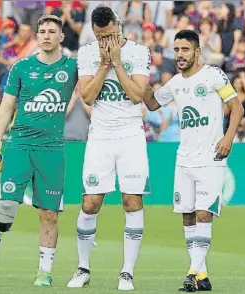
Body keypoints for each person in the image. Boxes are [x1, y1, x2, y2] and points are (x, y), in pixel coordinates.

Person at [0, 15, 78, 287]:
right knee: (7, 204)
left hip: (52, 150)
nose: (46, 35)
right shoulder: (21, 67)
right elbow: (6, 108)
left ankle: (44, 271)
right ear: (37, 36)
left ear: (61, 37)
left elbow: (89, 89)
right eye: (42, 31)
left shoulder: (72, 67)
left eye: (51, 31)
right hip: (19, 145)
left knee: (49, 213)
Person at [143, 30, 244, 292]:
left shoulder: (213, 75)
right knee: (188, 216)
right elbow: (153, 104)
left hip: (211, 158)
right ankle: (202, 275)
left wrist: (228, 138)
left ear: (197, 51)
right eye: (176, 50)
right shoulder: (175, 83)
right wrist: (139, 80)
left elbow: (237, 106)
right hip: (184, 160)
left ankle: (190, 273)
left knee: (203, 213)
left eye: (185, 49)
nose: (179, 55)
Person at [67, 6, 151, 291]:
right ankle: (82, 267)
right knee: (90, 203)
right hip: (100, 135)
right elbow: (88, 97)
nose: (105, 41)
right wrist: (104, 64)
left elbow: (137, 95)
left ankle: (127, 272)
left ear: (119, 25)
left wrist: (117, 62)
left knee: (132, 201)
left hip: (130, 135)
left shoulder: (139, 52)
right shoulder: (87, 53)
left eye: (110, 35)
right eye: (100, 36)